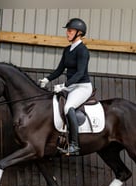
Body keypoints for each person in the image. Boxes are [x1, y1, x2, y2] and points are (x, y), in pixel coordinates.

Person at [39, 18, 93, 156]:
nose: (67, 33)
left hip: (82, 87)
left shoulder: (83, 51)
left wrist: (64, 85)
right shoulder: (67, 50)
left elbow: (81, 73)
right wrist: (47, 78)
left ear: (79, 33)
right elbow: (59, 70)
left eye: (70, 31)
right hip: (71, 86)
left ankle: (74, 145)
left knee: (68, 107)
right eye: (67, 31)